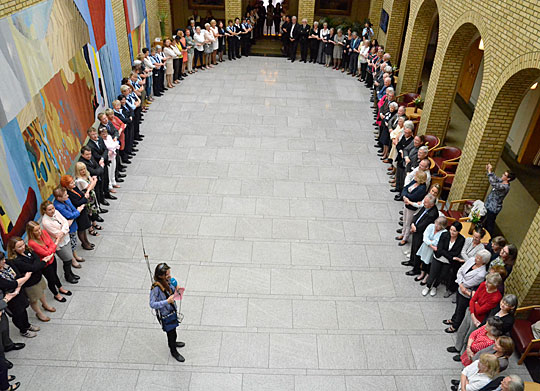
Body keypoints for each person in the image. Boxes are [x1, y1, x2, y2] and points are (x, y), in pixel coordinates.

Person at [450, 273, 503, 354]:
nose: (486, 283)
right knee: (462, 330)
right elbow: (472, 300)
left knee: (469, 336)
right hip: (471, 313)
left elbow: (480, 310)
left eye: (489, 282)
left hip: (478, 319)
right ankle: (457, 347)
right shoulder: (483, 285)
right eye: (486, 281)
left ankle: (463, 354)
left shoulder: (496, 297)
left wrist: (475, 303)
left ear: (495, 285)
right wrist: (474, 307)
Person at [6, 237, 54, 322]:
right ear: (13, 249)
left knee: (42, 292)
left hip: (38, 277)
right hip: (30, 283)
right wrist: (43, 262)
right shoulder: (15, 260)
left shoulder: (27, 250)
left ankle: (45, 305)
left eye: (23, 244)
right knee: (34, 299)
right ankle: (39, 313)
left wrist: (38, 264)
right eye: (19, 246)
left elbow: (36, 260)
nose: (23, 247)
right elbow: (33, 267)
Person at [444, 250, 491, 332]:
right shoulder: (471, 260)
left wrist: (461, 284)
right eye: (476, 256)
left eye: (478, 258)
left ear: (484, 261)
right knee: (457, 307)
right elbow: (460, 271)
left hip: (466, 293)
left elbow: (468, 284)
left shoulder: (482, 273)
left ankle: (455, 326)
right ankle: (453, 319)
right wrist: (461, 284)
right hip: (461, 288)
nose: (476, 258)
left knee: (460, 311)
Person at [26, 221, 72, 302]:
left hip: (52, 259)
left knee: (55, 274)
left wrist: (51, 249)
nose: (39, 231)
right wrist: (55, 244)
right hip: (45, 265)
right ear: (31, 232)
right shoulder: (32, 243)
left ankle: (60, 288)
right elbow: (46, 253)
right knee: (51, 279)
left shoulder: (43, 232)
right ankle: (56, 294)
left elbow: (50, 244)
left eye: (39, 228)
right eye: (36, 230)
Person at [149, 263, 186, 362]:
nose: (169, 276)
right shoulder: (156, 288)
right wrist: (166, 302)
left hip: (172, 310)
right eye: (167, 274)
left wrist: (176, 288)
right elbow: (152, 304)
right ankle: (173, 350)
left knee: (173, 332)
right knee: (171, 334)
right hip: (166, 315)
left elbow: (171, 291)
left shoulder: (168, 281)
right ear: (161, 276)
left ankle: (174, 343)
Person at [40, 200, 81, 283]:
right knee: (67, 259)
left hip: (66, 239)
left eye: (53, 208)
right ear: (44, 211)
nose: (52, 211)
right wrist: (64, 229)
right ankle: (68, 276)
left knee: (69, 257)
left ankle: (71, 273)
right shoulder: (46, 222)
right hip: (58, 244)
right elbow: (57, 234)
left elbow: (65, 222)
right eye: (49, 210)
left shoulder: (56, 212)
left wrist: (63, 230)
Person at [0, 252, 37, 338]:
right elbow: (10, 284)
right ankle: (23, 330)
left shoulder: (8, 263)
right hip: (10, 298)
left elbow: (18, 276)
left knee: (24, 310)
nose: (4, 261)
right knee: (17, 314)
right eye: (1, 260)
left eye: (3, 259)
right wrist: (26, 278)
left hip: (18, 291)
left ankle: (27, 325)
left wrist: (17, 288)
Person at [424, 221, 465, 296]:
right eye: (451, 230)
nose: (452, 232)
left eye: (454, 231)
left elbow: (456, 253)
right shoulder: (444, 234)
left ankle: (435, 287)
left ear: (459, 231)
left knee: (441, 275)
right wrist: (451, 256)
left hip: (448, 261)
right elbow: (440, 249)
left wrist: (447, 254)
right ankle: (428, 286)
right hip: (438, 257)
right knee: (432, 273)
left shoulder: (461, 239)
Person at [402, 194, 439, 275]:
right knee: (413, 247)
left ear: (431, 204)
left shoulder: (433, 213)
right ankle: (411, 261)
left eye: (426, 202)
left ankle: (416, 268)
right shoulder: (425, 206)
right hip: (415, 230)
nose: (424, 204)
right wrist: (413, 223)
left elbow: (425, 224)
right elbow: (417, 215)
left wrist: (416, 228)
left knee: (417, 250)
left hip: (421, 234)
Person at [52, 186, 86, 265]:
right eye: (65, 195)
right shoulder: (58, 206)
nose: (67, 196)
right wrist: (78, 211)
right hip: (67, 228)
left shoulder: (66, 199)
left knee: (74, 242)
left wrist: (75, 213)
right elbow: (70, 215)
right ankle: (73, 259)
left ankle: (75, 255)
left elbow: (73, 209)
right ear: (58, 198)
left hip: (73, 224)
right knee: (70, 244)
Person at [60, 175, 94, 250]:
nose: (73, 183)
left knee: (84, 227)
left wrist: (83, 198)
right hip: (78, 212)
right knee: (81, 229)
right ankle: (84, 243)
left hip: (83, 209)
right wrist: (85, 198)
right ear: (66, 185)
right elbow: (76, 203)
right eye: (71, 183)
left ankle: (87, 241)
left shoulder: (74, 188)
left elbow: (81, 195)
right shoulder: (68, 193)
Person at [483, 164, 515, 236]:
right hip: (489, 203)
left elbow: (493, 183)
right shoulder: (502, 181)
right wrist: (489, 171)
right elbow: (496, 178)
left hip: (493, 207)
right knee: (485, 219)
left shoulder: (504, 187)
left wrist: (489, 171)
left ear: (508, 178)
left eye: (505, 175)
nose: (502, 175)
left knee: (490, 224)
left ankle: (489, 238)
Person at [416, 216, 448, 285]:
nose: (436, 225)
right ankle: (422, 274)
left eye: (439, 225)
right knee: (423, 262)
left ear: (443, 226)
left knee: (430, 265)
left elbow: (437, 242)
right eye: (436, 223)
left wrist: (428, 242)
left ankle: (426, 277)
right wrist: (431, 244)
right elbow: (425, 236)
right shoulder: (431, 226)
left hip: (432, 252)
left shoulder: (444, 232)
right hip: (426, 248)